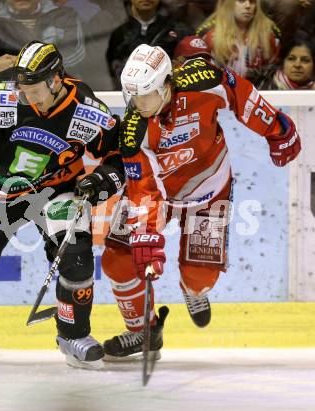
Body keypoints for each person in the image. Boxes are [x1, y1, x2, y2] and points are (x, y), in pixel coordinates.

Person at [0, 41, 124, 369]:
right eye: (22, 88)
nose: (25, 97)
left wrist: (103, 179)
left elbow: (116, 155)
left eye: (33, 90)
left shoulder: (88, 111)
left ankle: (73, 335)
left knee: (76, 258)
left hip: (55, 191)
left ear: (56, 80)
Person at [100, 43, 301, 360]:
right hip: (160, 191)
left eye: (145, 95)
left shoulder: (205, 80)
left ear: (167, 84)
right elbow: (145, 188)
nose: (137, 104)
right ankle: (143, 332)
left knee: (200, 277)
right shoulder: (134, 129)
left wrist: (277, 129)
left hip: (209, 186)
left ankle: (192, 291)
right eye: (132, 96)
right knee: (118, 260)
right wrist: (147, 237)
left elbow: (242, 97)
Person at [0, 0, 86, 91]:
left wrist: (21, 63)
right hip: (6, 98)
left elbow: (76, 55)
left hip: (59, 94)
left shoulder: (65, 16)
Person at [106, 0, 192, 90]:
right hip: (130, 94)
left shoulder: (179, 30)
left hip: (170, 94)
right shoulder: (119, 36)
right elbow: (114, 73)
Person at [197, 0, 281, 80]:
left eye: (252, 1)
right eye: (241, 0)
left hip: (257, 89)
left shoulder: (268, 33)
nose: (248, 6)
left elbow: (272, 71)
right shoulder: (207, 34)